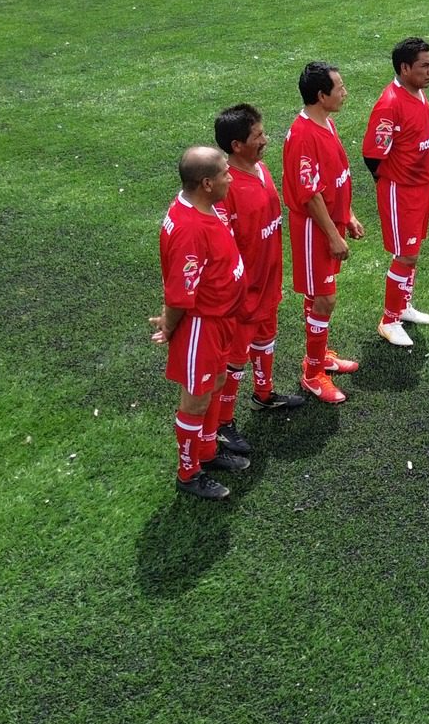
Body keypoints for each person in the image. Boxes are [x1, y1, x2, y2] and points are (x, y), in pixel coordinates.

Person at [152, 146, 248, 501]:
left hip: (220, 319)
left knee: (217, 381)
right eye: (225, 172)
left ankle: (207, 451)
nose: (230, 176)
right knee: (195, 398)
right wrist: (168, 325)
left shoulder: (206, 207)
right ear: (206, 183)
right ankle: (189, 472)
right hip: (200, 326)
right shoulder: (190, 229)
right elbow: (179, 296)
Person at [213, 103, 303, 418]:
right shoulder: (226, 188)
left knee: (266, 338)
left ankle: (264, 394)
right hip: (243, 293)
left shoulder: (261, 169)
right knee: (234, 359)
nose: (265, 140)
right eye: (258, 135)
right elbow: (221, 247)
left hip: (268, 280)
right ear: (237, 145)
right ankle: (222, 424)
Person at [284, 61, 364, 405]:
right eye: (339, 88)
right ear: (321, 95)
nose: (345, 92)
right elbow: (310, 195)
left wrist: (347, 214)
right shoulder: (303, 135)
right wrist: (333, 234)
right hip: (314, 230)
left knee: (318, 296)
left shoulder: (324, 122)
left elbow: (332, 177)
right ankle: (312, 374)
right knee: (325, 299)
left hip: (329, 222)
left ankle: (318, 356)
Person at [360, 37, 429, 348]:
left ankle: (403, 306)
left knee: (412, 252)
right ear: (405, 68)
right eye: (425, 65)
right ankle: (389, 319)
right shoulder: (389, 104)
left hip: (420, 185)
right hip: (401, 190)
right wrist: (392, 180)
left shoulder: (416, 91)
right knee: (405, 254)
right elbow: (372, 155)